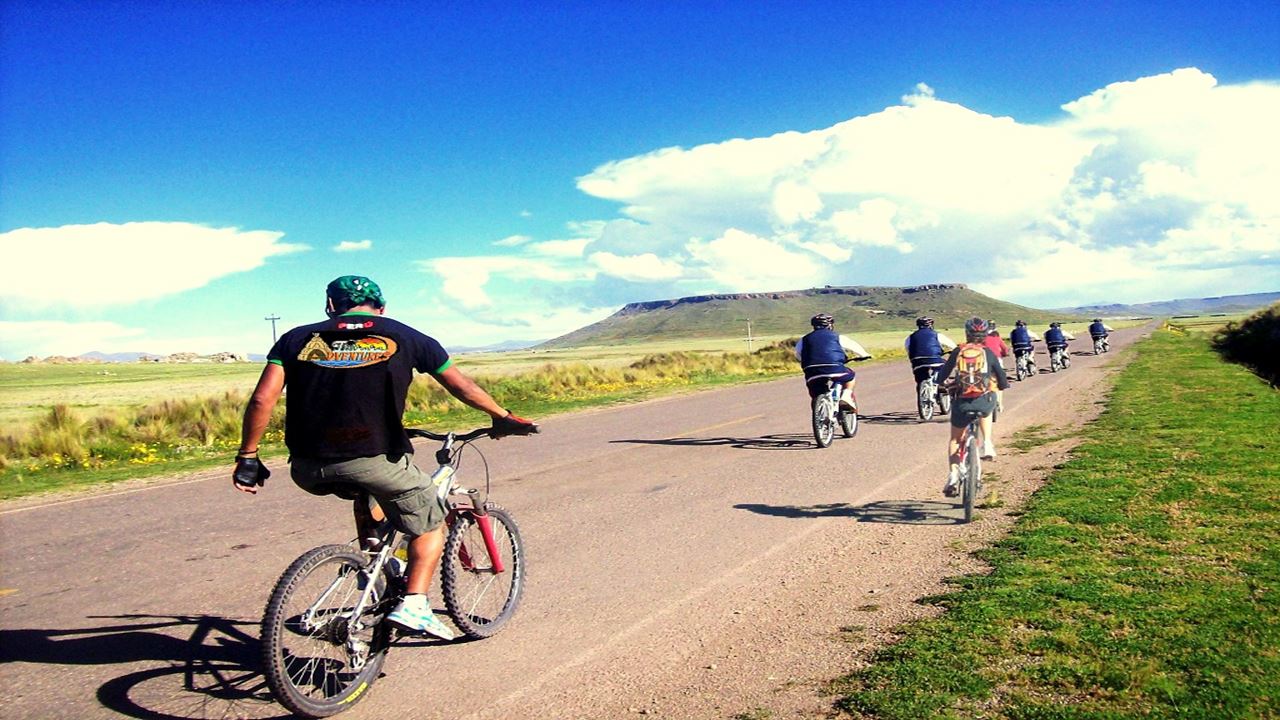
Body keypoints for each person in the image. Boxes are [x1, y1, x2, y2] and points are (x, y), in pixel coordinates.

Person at [232, 275, 536, 640]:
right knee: (431, 521)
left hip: (308, 466)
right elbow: (461, 386)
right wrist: (502, 417)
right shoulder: (406, 335)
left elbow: (262, 399)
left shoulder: (296, 338)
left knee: (369, 491)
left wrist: (248, 456)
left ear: (330, 306)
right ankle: (416, 605)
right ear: (382, 307)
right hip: (374, 457)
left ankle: (373, 562)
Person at [935, 317, 1009, 497]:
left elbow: (942, 376)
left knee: (955, 440)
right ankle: (988, 443)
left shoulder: (958, 351)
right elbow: (1002, 378)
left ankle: (953, 474)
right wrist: (1000, 385)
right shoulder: (987, 352)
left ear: (967, 333)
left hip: (961, 403)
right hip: (983, 401)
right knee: (988, 400)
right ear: (984, 334)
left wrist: (943, 384)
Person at [795, 313, 872, 410]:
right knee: (850, 377)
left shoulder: (804, 339)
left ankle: (819, 413)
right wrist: (864, 355)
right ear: (830, 325)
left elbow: (798, 355)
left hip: (811, 371)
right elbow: (853, 346)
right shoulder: (836, 336)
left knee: (815, 390)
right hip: (834, 367)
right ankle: (846, 396)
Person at [904, 316, 958, 386]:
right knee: (943, 368)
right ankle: (942, 384)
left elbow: (908, 349)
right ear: (931, 325)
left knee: (920, 381)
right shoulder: (936, 334)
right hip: (934, 359)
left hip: (917, 361)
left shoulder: (910, 337)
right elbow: (953, 346)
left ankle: (921, 394)